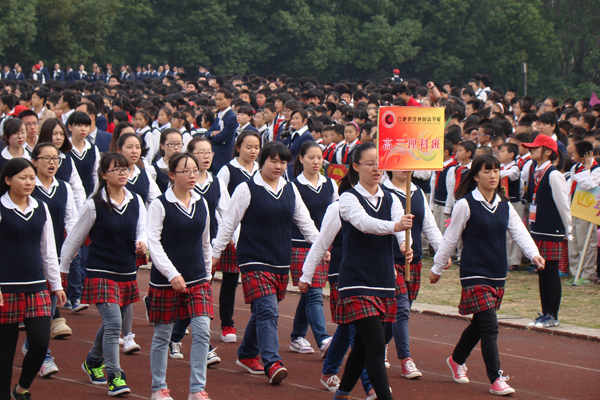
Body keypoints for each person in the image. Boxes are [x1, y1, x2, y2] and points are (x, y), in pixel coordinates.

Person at [430, 154, 544, 397]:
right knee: (490, 326)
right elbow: (450, 238)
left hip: (497, 272)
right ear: (475, 176)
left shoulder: (504, 204)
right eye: (487, 171)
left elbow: (519, 231)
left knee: (480, 324)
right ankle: (496, 378)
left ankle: (456, 359)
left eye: (496, 170)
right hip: (474, 272)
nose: (493, 175)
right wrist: (437, 267)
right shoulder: (465, 204)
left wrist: (533, 254)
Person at [212, 142, 319, 385]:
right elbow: (228, 223)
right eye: (273, 161)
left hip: (280, 260)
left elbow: (305, 222)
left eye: (283, 162)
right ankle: (272, 362)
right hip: (253, 259)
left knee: (263, 310)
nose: (279, 166)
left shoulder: (290, 189)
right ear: (263, 161)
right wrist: (216, 253)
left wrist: (320, 246)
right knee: (269, 311)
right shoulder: (246, 188)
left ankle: (247, 354)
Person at [59, 152, 148, 397]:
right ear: (103, 175)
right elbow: (75, 238)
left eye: (125, 169)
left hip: (126, 271)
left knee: (112, 321)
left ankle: (93, 360)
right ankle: (115, 375)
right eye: (116, 169)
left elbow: (143, 229)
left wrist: (142, 242)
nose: (122, 173)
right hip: (101, 272)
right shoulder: (94, 204)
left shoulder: (136, 200)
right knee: (114, 323)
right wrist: (62, 270)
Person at [331, 142, 413, 400]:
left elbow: (401, 226)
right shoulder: (348, 198)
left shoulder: (392, 198)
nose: (377, 168)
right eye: (370, 164)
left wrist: (405, 245)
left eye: (380, 163)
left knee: (363, 346)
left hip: (384, 281)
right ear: (356, 167)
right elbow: (364, 223)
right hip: (356, 281)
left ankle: (342, 393)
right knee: (377, 345)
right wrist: (395, 227)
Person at [147, 152, 214, 400]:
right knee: (162, 334)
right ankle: (158, 388)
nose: (192, 175)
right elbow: (154, 243)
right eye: (185, 171)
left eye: (195, 170)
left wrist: (207, 272)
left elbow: (205, 241)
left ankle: (197, 389)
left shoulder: (201, 202)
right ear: (172, 175)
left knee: (203, 331)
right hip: (166, 281)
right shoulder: (159, 205)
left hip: (198, 279)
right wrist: (172, 274)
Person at [0, 158, 66, 400]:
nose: (29, 182)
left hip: (36, 285)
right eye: (23, 178)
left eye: (31, 178)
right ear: (8, 180)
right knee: (5, 350)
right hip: (5, 288)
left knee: (40, 342)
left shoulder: (41, 207)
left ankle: (20, 389)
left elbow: (48, 250)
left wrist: (56, 285)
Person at [382, 170, 445, 379]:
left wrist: (442, 252)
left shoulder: (417, 192)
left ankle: (379, 344)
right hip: (390, 260)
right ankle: (405, 359)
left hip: (414, 261)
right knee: (401, 309)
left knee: (401, 310)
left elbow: (429, 226)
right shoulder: (383, 192)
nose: (405, 169)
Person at [30, 143, 78, 375]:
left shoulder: (64, 187)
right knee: (35, 308)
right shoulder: (29, 186)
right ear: (34, 161)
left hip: (55, 254)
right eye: (46, 158)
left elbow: (71, 220)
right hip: (30, 254)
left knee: (47, 307)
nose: (52, 163)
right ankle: (39, 351)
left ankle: (37, 350)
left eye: (55, 159)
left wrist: (71, 248)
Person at [290, 142, 338, 355]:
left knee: (308, 292)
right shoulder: (293, 186)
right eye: (311, 157)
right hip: (300, 245)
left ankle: (297, 336)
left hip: (325, 246)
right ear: (301, 159)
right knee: (314, 291)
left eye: (319, 157)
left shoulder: (331, 184)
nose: (316, 162)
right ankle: (324, 339)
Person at [213, 131, 261, 343]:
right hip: (234, 233)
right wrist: (228, 233)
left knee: (257, 279)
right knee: (230, 280)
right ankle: (227, 324)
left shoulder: (261, 170)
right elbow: (219, 203)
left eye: (256, 147)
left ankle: (258, 323)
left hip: (256, 234)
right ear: (238, 147)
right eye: (248, 147)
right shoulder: (228, 170)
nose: (253, 151)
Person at [522, 135, 571, 328]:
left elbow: (563, 204)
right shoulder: (535, 171)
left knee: (550, 271)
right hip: (539, 228)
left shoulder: (554, 174)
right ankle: (545, 313)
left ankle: (553, 315)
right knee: (541, 271)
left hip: (552, 229)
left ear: (548, 151)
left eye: (536, 147)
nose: (531, 150)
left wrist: (568, 229)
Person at [567, 141, 600, 285]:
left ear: (583, 156)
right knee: (573, 242)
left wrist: (587, 168)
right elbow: (572, 185)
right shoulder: (575, 167)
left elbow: (588, 184)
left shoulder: (596, 169)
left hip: (588, 211)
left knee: (586, 243)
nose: (572, 155)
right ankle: (575, 273)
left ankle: (587, 274)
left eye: (575, 153)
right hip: (575, 207)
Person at [497, 143, 524, 270]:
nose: (500, 154)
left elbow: (511, 175)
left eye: (503, 151)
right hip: (502, 202)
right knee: (503, 231)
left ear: (511, 154)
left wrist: (496, 172)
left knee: (514, 231)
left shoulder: (514, 168)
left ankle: (514, 260)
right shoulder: (501, 167)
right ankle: (505, 259)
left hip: (514, 202)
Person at [430, 140, 457, 233]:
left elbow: (451, 189)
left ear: (446, 152)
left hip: (444, 204)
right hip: (437, 202)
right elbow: (433, 186)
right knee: (435, 229)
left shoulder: (452, 168)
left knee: (444, 229)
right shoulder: (439, 166)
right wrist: (431, 203)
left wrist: (448, 208)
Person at [207, 89, 237, 173]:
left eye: (220, 99)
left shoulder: (232, 117)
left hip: (223, 156)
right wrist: (212, 133)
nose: (218, 102)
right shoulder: (219, 115)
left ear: (229, 100)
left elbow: (222, 137)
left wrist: (209, 139)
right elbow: (208, 132)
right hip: (215, 155)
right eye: (216, 99)